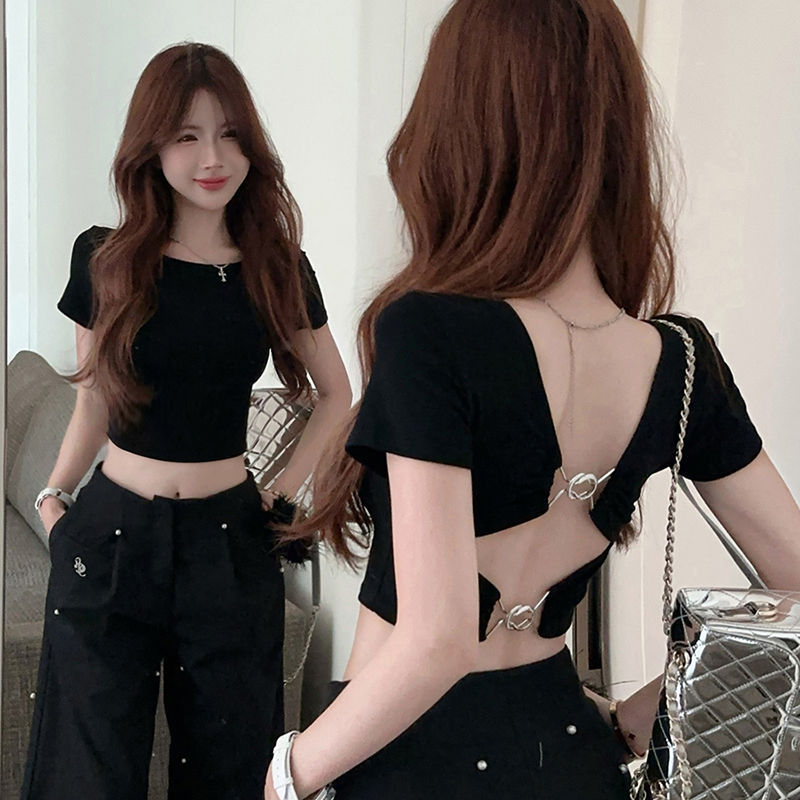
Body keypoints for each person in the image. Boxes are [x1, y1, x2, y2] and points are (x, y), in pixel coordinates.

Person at [263, 1, 800, 798]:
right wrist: (644, 717)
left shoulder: (429, 331)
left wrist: (289, 773)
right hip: (572, 752)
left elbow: (438, 640)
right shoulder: (680, 360)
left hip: (410, 759)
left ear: (460, 127)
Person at [22, 43, 352, 800]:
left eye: (231, 134)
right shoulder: (106, 259)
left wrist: (281, 497)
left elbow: (337, 395)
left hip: (228, 543)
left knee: (231, 771)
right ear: (152, 145)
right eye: (187, 135)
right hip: (110, 534)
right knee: (86, 773)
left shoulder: (275, 266)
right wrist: (55, 496)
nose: (213, 157)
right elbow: (95, 398)